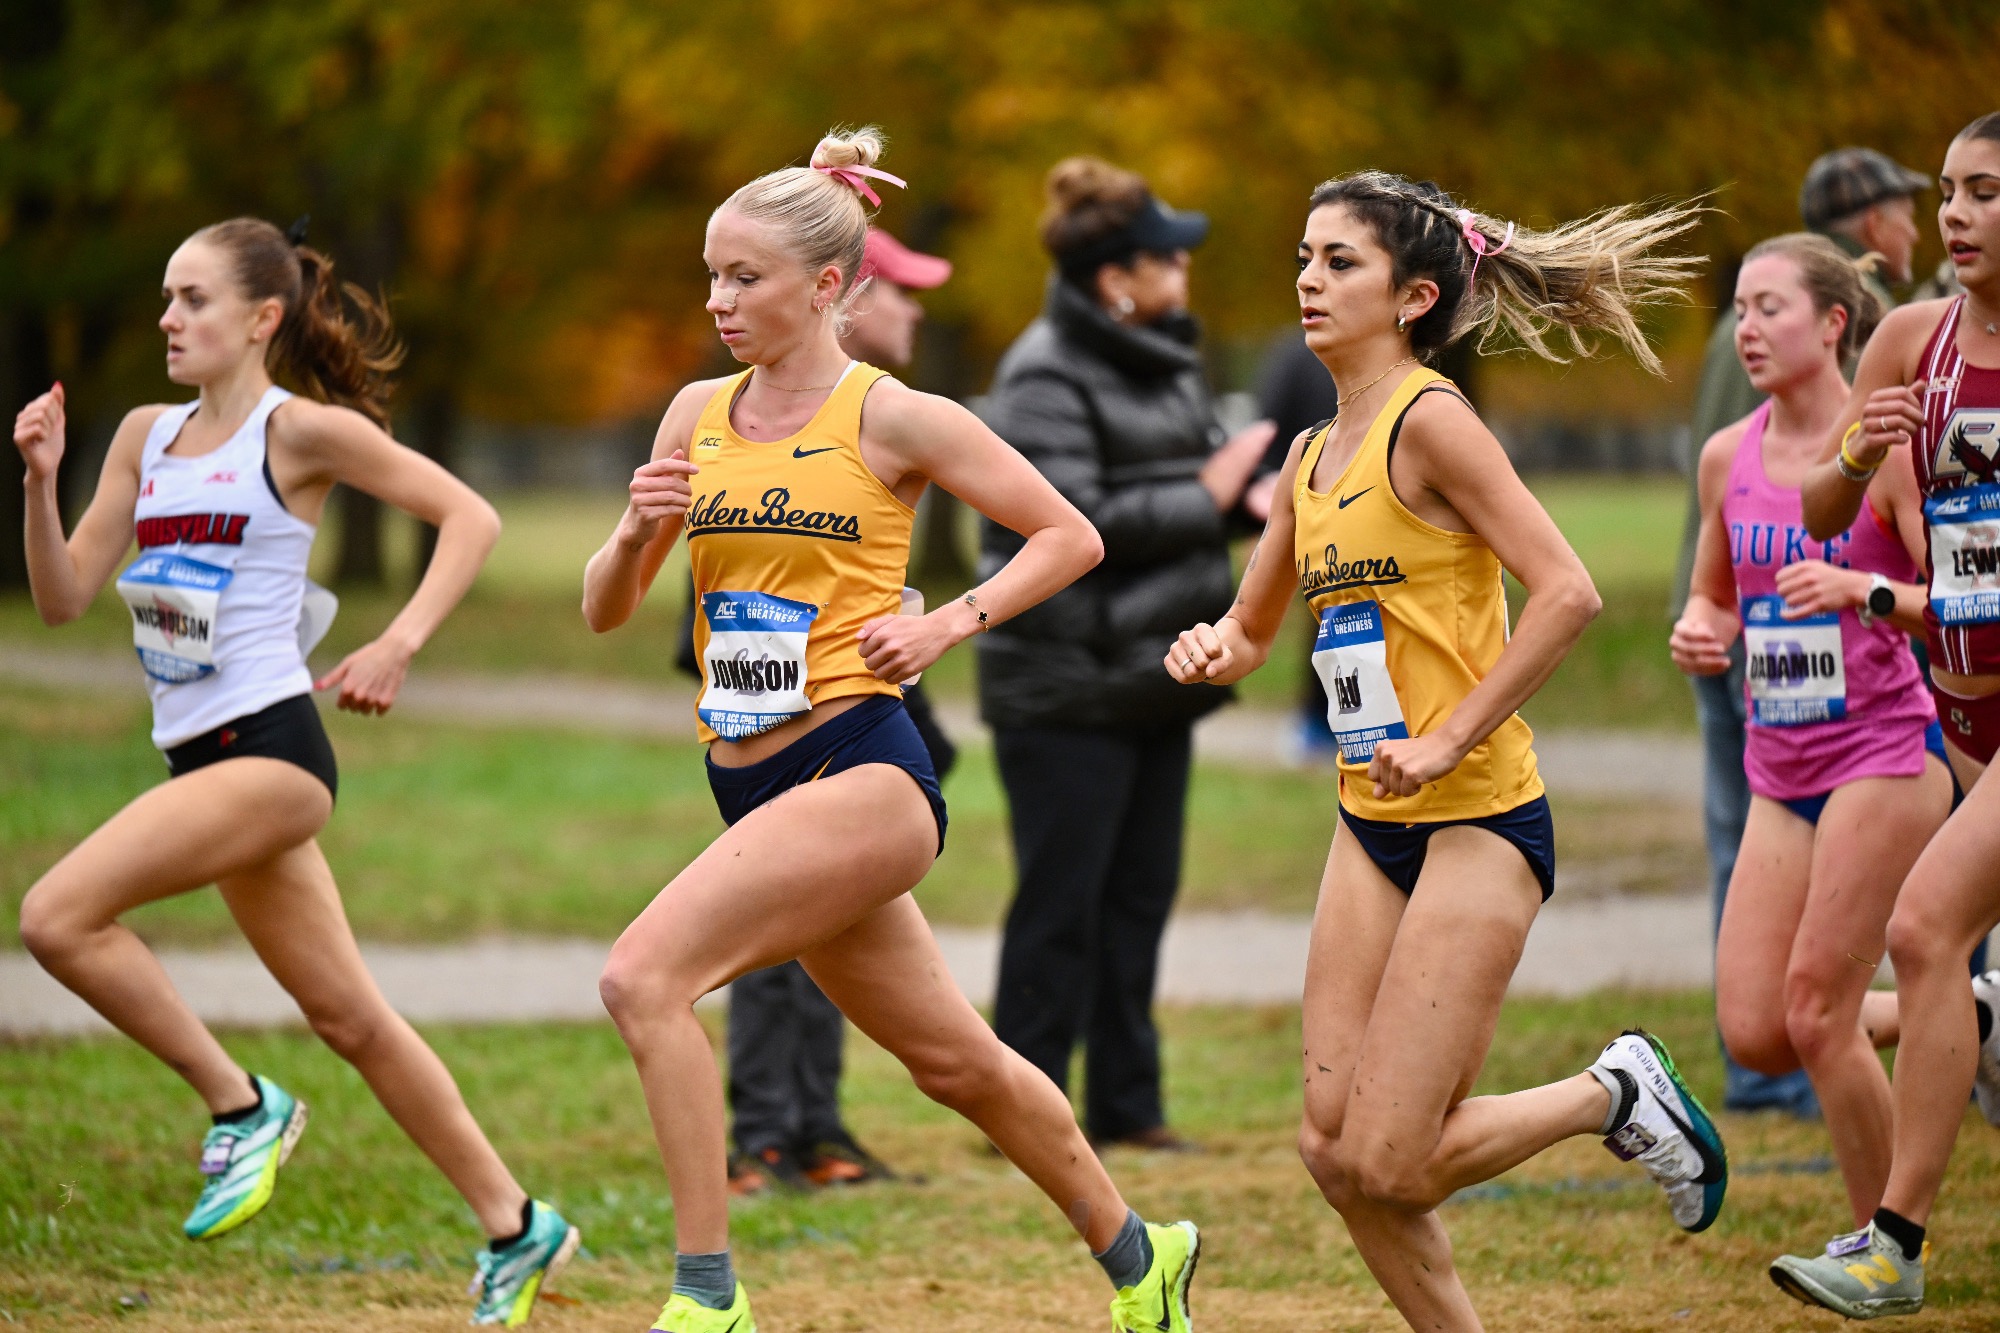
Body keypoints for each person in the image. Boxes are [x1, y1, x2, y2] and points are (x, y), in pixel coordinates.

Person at [582, 128, 1201, 1333]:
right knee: (955, 1064)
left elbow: (1071, 533)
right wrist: (629, 530)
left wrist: (947, 626)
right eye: (708, 274)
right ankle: (1143, 1256)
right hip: (746, 776)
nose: (716, 299)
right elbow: (608, 613)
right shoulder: (692, 416)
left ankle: (707, 1299)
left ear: (825, 287)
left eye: (742, 277)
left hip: (861, 769)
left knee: (642, 977)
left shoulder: (895, 416)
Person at [1166, 171, 1723, 1331]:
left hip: (1475, 813)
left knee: (1396, 1156)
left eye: (1340, 263)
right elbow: (1256, 627)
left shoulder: (1431, 421)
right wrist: (1208, 646)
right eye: (1305, 259)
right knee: (1330, 1150)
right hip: (1371, 826)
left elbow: (1567, 593)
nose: (1309, 282)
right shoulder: (1313, 454)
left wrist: (1446, 734)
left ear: (1413, 296)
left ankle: (1611, 1090)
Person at [9, 218, 576, 1327]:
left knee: (55, 916)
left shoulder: (299, 433)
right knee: (351, 1018)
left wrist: (399, 641)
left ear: (262, 318)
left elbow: (471, 515)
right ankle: (517, 1223)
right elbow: (64, 595)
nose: (169, 319)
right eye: (166, 299)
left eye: (194, 300)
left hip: (270, 749)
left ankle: (241, 1105)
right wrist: (38, 483)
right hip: (200, 758)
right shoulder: (143, 437)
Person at [978, 156, 1274, 1152]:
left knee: (1138, 898)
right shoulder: (1042, 375)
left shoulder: (1161, 359)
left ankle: (1126, 1107)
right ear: (1115, 279)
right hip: (1061, 684)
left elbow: (1176, 500)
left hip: (1149, 674)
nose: (1183, 274)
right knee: (1061, 904)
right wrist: (1211, 492)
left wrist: (1239, 504)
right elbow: (1073, 524)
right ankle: (1018, 1110)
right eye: (1165, 259)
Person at [1672, 233, 1957, 1230]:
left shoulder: (1880, 452)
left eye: (1768, 308)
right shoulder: (1725, 456)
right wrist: (1700, 630)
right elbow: (1711, 596)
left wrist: (1863, 590)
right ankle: (1967, 1015)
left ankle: (1882, 1247)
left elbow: (1958, 602)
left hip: (1883, 751)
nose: (1744, 328)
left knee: (1814, 1013)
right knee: (1754, 1031)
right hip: (1777, 766)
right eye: (1738, 309)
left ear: (1833, 323)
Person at [1776, 111, 2000, 1321]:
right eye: (1949, 193)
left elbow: (1875, 573)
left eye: (1984, 194)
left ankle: (1892, 1241)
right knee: (1934, 952)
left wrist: (1880, 594)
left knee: (1921, 930)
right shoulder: (1910, 337)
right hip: (1964, 717)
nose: (1954, 216)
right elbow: (1817, 510)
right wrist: (1859, 456)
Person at [723, 224, 956, 1195]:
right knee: (762, 927)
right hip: (767, 711)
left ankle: (813, 1126)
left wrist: (935, 626)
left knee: (854, 943)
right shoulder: (737, 414)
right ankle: (763, 1134)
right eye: (897, 290)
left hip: (855, 711)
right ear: (843, 294)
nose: (910, 310)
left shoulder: (889, 416)